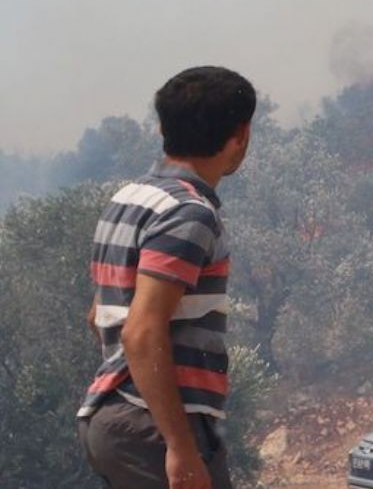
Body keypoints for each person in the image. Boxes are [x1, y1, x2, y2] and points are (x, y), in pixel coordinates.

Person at [77, 67, 256, 489]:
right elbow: (140, 331)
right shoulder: (188, 213)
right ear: (241, 135)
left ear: (163, 128)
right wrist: (179, 445)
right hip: (153, 428)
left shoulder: (130, 198)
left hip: (115, 420)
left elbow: (99, 317)